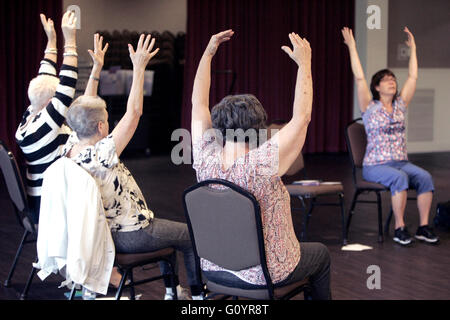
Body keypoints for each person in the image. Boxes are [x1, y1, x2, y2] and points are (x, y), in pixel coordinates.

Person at [191, 30, 331, 300]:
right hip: (263, 275)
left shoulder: (204, 159)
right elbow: (301, 117)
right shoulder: (262, 162)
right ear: (260, 129)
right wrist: (305, 64)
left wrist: (208, 54)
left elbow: (198, 103)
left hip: (214, 271)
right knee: (321, 255)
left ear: (218, 128)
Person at [62, 34, 204, 300]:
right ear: (102, 126)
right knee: (188, 234)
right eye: (105, 120)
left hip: (106, 230)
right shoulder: (102, 153)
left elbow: (83, 109)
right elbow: (134, 113)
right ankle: (197, 297)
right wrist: (139, 68)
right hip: (129, 233)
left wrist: (96, 68)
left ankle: (173, 292)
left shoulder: (71, 147)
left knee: (166, 230)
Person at [342, 26, 438, 245]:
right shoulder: (369, 106)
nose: (392, 81)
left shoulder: (400, 105)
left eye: (393, 78)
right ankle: (399, 228)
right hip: (376, 165)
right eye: (386, 79)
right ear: (377, 87)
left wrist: (413, 49)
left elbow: (413, 76)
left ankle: (423, 227)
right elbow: (359, 78)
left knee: (424, 177)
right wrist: (352, 48)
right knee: (400, 178)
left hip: (400, 162)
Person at [15, 11, 78, 224]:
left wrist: (52, 40)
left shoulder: (28, 118)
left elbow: (45, 75)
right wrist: (70, 40)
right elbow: (66, 85)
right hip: (51, 205)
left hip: (39, 200)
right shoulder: (46, 125)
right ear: (50, 103)